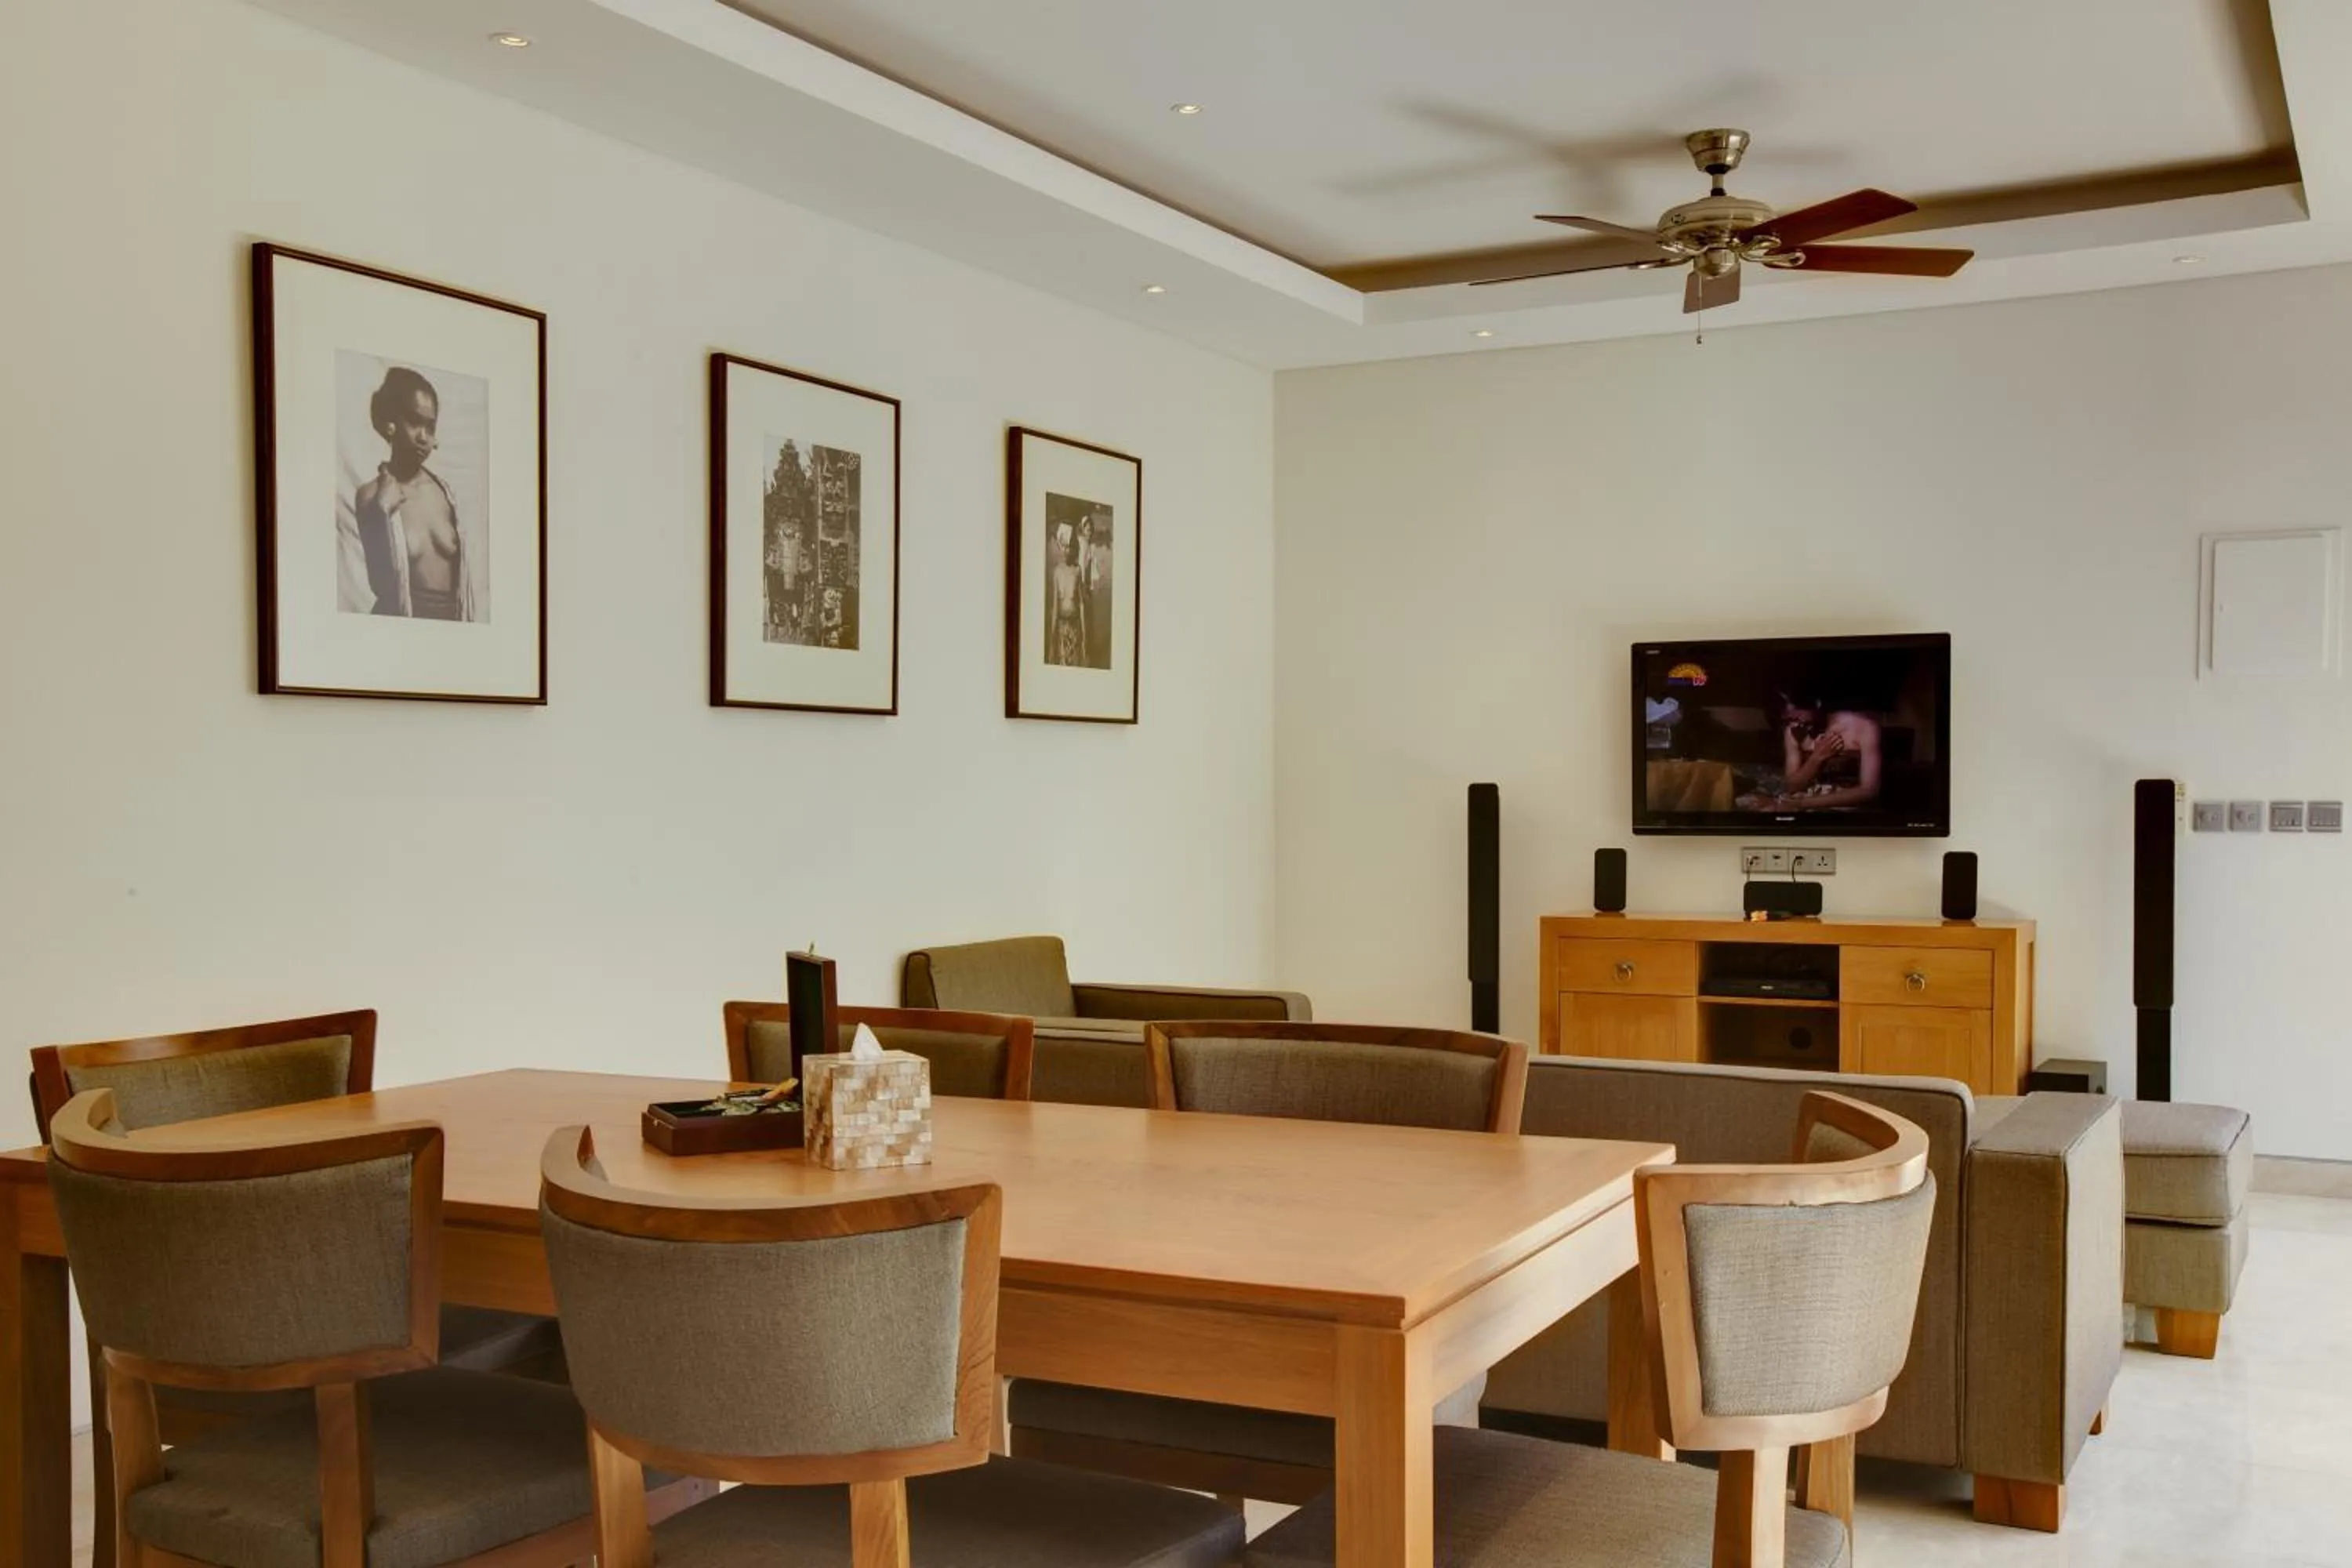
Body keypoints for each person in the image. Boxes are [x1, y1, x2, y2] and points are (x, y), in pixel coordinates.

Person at [349, 366, 470, 620]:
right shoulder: (371, 496)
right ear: (390, 423)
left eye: (431, 426)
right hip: (399, 637)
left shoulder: (446, 495)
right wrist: (381, 513)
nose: (423, 437)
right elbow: (381, 585)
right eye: (415, 423)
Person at [1743, 691, 1882, 811]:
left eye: (1796, 718)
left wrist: (1802, 804)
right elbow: (1792, 786)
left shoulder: (1863, 728)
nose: (1793, 725)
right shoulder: (1794, 731)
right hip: (1802, 798)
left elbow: (1869, 790)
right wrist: (1817, 758)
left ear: (1816, 705)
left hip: (1841, 803)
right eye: (1787, 721)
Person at [1048, 522, 1083, 666]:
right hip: (1062, 628)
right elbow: (1055, 607)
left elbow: (1081, 604)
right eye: (1063, 546)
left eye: (1069, 546)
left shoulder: (1077, 571)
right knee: (1062, 664)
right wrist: (1051, 641)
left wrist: (1084, 638)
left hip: (1075, 626)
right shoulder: (1057, 572)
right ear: (1060, 546)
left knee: (1075, 666)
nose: (1066, 550)